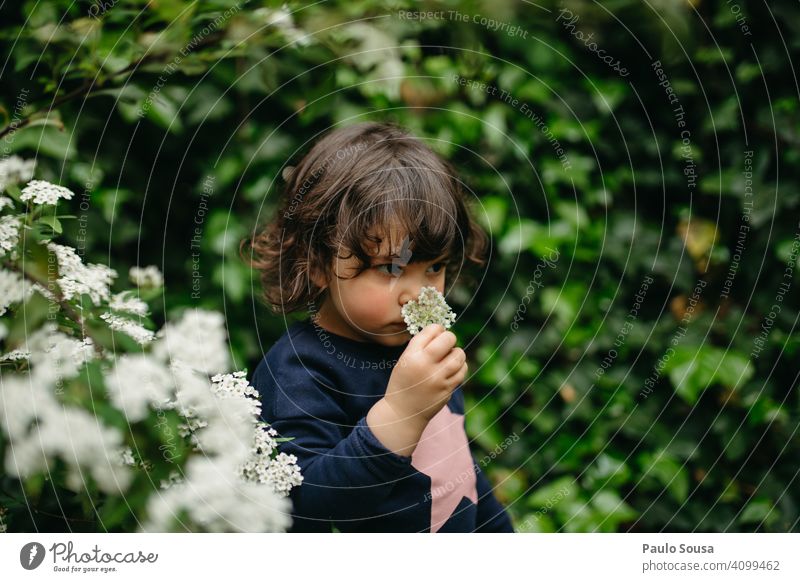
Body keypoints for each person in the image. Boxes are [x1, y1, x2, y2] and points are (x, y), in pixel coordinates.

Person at [241, 121, 513, 532]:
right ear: (317, 264)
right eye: (391, 268)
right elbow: (305, 506)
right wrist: (401, 413)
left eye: (435, 267)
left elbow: (458, 470)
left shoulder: (421, 355)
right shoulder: (297, 375)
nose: (419, 296)